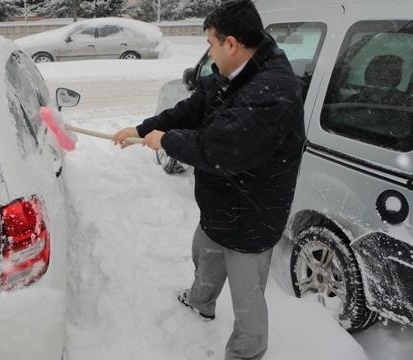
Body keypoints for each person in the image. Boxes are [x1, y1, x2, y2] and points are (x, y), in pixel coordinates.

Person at [112, 1, 305, 359]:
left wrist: (166, 141)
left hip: (253, 213)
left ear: (231, 44)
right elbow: (192, 108)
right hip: (222, 202)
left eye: (210, 44)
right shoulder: (233, 74)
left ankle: (247, 351)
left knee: (247, 298)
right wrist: (145, 128)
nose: (209, 52)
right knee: (205, 255)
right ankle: (200, 302)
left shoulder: (272, 91)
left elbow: (220, 148)